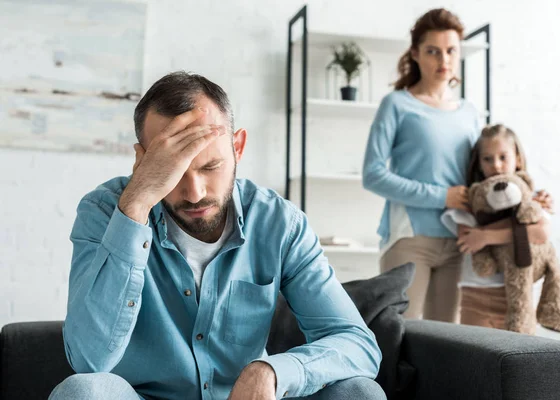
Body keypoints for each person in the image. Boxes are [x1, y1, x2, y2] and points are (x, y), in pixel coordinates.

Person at [50, 72, 384, 400]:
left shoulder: (279, 223)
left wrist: (273, 372)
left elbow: (356, 343)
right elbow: (89, 360)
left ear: (237, 147)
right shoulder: (105, 211)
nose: (194, 193)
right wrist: (136, 206)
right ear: (142, 161)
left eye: (210, 167)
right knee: (81, 393)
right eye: (174, 170)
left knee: (361, 392)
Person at [362, 8, 478, 322]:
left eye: (451, 50)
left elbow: (480, 178)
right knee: (402, 340)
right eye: (433, 51)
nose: (444, 60)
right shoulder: (397, 104)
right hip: (409, 240)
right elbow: (373, 175)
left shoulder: (470, 113)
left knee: (449, 346)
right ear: (415, 54)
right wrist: (443, 196)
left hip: (458, 242)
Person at [448, 124, 554, 329]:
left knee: (522, 358)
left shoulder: (532, 199)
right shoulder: (470, 201)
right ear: (478, 163)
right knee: (473, 358)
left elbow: (540, 233)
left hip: (520, 297)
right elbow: (469, 240)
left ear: (518, 159)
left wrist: (486, 236)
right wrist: (520, 227)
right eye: (487, 159)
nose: (496, 165)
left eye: (503, 157)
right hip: (476, 297)